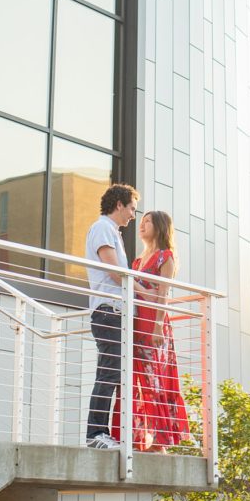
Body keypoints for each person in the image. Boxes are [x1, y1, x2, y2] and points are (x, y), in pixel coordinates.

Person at [110, 210, 190, 451]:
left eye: (147, 222)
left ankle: (160, 442)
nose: (142, 225)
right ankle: (134, 438)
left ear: (160, 227)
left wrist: (157, 327)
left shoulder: (166, 256)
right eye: (141, 221)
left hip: (154, 323)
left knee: (154, 379)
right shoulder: (137, 261)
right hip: (135, 323)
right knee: (133, 380)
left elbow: (163, 294)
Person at [84, 183, 139, 449]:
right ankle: (95, 434)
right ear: (119, 204)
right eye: (131, 208)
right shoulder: (103, 228)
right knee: (108, 373)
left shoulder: (111, 231)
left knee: (112, 373)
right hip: (108, 312)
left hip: (113, 312)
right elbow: (116, 273)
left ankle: (99, 433)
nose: (133, 215)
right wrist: (144, 290)